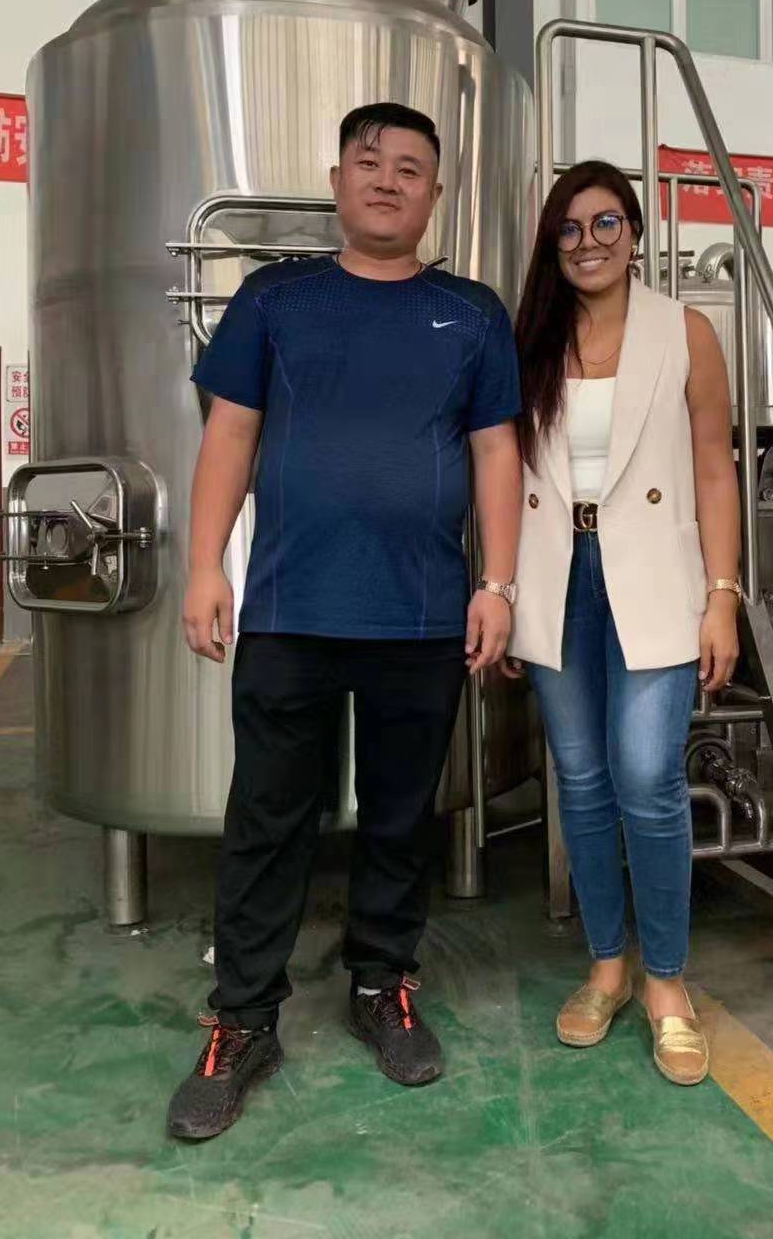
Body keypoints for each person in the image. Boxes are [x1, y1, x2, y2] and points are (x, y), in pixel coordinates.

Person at [167, 102, 523, 1140]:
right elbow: (229, 435)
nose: (387, 180)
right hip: (292, 610)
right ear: (337, 181)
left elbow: (497, 452)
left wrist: (497, 584)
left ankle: (382, 984)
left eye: (411, 168)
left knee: (403, 816)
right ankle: (244, 1019)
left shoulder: (471, 314)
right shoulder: (277, 299)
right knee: (268, 818)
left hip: (423, 616)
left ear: (435, 195)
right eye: (370, 162)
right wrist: (204, 566)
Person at [503, 159, 740, 1086]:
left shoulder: (685, 331)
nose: (588, 242)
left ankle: (667, 983)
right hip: (555, 575)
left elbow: (714, 468)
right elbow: (500, 470)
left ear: (635, 233)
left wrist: (722, 593)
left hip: (655, 576)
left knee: (647, 778)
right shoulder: (530, 337)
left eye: (606, 223)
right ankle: (607, 966)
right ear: (552, 245)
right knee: (583, 780)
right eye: (569, 228)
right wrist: (503, 591)